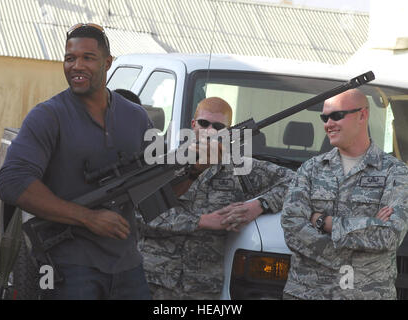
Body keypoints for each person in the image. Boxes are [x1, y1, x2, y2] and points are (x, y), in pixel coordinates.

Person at [0, 23, 153, 300]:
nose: (76, 65)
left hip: (127, 265)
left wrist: (194, 169)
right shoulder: (48, 116)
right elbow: (12, 182)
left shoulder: (137, 117)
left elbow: (156, 189)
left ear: (107, 63)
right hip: (68, 265)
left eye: (87, 58)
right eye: (70, 58)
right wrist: (87, 218)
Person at [137, 96, 295, 299]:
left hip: (201, 289)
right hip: (153, 282)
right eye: (204, 123)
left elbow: (297, 183)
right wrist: (200, 222)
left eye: (218, 126)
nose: (209, 131)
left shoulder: (242, 170)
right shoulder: (164, 165)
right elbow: (139, 215)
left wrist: (259, 205)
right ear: (193, 125)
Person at [281, 89, 408, 300]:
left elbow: (389, 235)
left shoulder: (395, 172)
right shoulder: (311, 169)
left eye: (337, 115)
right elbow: (292, 227)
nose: (328, 123)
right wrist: (367, 228)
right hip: (307, 293)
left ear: (362, 115)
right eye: (324, 117)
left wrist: (323, 221)